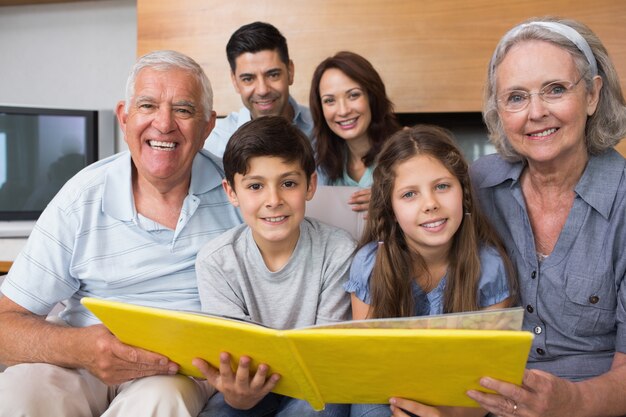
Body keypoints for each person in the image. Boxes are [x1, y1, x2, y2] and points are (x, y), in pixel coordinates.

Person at [0, 50, 242, 417]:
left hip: (177, 369)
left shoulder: (241, 195)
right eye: (147, 105)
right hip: (80, 359)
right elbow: (5, 324)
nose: (164, 124)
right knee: (20, 391)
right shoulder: (80, 197)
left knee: (161, 400)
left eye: (183, 109)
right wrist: (80, 349)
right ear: (124, 117)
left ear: (208, 126)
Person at [464, 17, 626, 417]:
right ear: (499, 111)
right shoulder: (474, 187)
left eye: (555, 90)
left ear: (592, 94)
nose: (536, 112)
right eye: (516, 97)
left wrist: (573, 402)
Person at [345, 125, 518, 417]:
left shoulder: (490, 268)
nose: (430, 205)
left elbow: (487, 386)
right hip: (385, 398)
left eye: (442, 186)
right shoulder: (370, 265)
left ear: (463, 192)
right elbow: (368, 368)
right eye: (410, 194)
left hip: (461, 406)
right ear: (390, 208)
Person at [193, 115, 355, 417]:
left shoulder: (338, 250)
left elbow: (324, 355)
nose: (273, 200)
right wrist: (238, 395)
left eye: (289, 183)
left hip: (315, 384)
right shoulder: (216, 261)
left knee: (316, 409)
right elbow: (232, 354)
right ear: (231, 192)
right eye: (255, 186)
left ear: (310, 185)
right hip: (248, 388)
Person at [309, 51, 401, 212]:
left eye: (353, 95)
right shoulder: (318, 159)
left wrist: (394, 200)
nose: (343, 111)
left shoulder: (408, 150)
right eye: (329, 100)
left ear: (372, 97)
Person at [205, 21, 313, 157]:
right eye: (248, 79)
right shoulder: (215, 144)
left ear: (290, 71)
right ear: (235, 81)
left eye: (273, 75)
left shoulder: (322, 128)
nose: (262, 90)